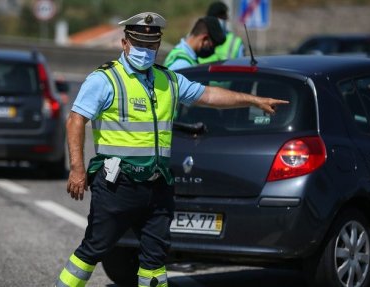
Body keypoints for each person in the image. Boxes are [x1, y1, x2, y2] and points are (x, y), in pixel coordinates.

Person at [55, 11, 288, 287]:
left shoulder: (168, 80)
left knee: (155, 260)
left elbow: (209, 95)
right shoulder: (105, 79)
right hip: (118, 185)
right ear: (125, 43)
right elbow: (75, 119)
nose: (145, 50)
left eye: (151, 45)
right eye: (139, 44)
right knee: (94, 248)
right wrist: (78, 169)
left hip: (157, 185)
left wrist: (253, 100)